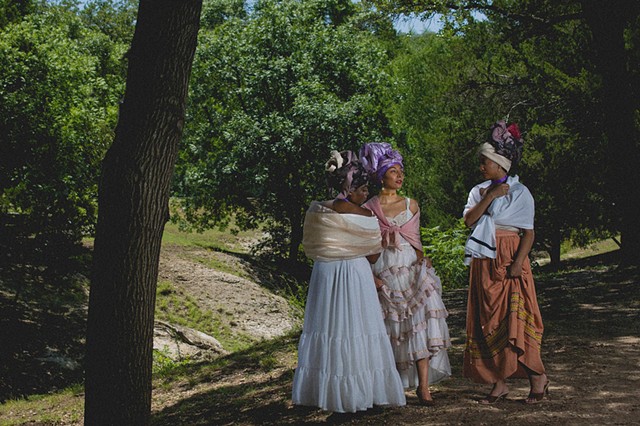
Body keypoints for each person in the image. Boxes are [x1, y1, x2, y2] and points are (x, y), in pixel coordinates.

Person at [291, 150, 406, 413]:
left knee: (330, 328)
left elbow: (312, 245)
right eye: (363, 189)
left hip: (326, 273)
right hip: (354, 274)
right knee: (356, 326)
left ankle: (326, 393)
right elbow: (374, 255)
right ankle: (364, 393)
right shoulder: (365, 216)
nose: (366, 195)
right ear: (350, 187)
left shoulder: (318, 209)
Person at [462, 120, 549, 405]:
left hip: (510, 258)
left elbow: (528, 232)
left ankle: (538, 378)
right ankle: (499, 384)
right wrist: (490, 196)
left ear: (500, 166)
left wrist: (517, 264)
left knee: (516, 320)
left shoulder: (521, 193)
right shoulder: (478, 191)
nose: (481, 167)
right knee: (488, 322)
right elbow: (469, 221)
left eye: (485, 163)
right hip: (484, 261)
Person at [359, 142, 451, 406]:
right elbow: (367, 246)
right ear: (381, 175)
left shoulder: (412, 204)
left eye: (401, 171)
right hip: (384, 266)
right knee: (390, 326)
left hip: (409, 266)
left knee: (418, 321)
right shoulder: (369, 207)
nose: (400, 176)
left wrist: (424, 262)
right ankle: (392, 386)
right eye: (394, 171)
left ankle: (423, 387)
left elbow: (415, 239)